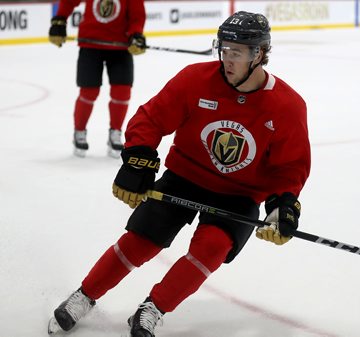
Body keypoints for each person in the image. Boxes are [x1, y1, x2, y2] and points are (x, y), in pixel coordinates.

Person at [47, 11, 311, 337]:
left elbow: (290, 166)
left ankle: (152, 308)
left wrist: (282, 205)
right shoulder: (196, 79)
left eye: (237, 53)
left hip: (240, 194)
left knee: (212, 246)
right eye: (224, 49)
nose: (227, 59)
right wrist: (138, 160)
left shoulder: (287, 106)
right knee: (141, 240)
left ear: (259, 54)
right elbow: (151, 118)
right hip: (186, 177)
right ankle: (85, 295)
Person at [48, 0, 147, 158]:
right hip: (90, 45)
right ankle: (79, 131)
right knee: (88, 92)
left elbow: (137, 14)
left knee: (122, 92)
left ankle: (115, 132)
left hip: (120, 46)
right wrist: (59, 19)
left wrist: (136, 33)